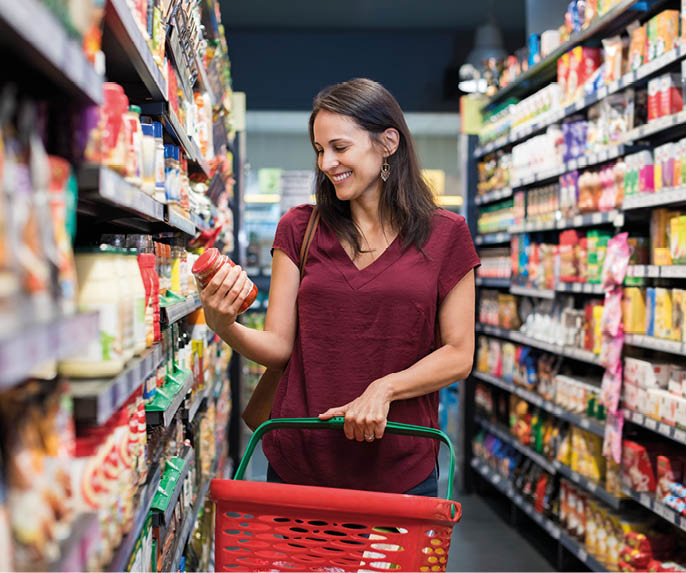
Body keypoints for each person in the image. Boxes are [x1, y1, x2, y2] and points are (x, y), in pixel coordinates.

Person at [198, 78, 479, 497]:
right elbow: (279, 347)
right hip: (302, 463)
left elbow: (459, 354)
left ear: (387, 143)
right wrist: (225, 326)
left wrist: (384, 388)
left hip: (400, 467)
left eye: (339, 147)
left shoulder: (446, 234)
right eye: (319, 150)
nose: (327, 163)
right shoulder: (299, 227)